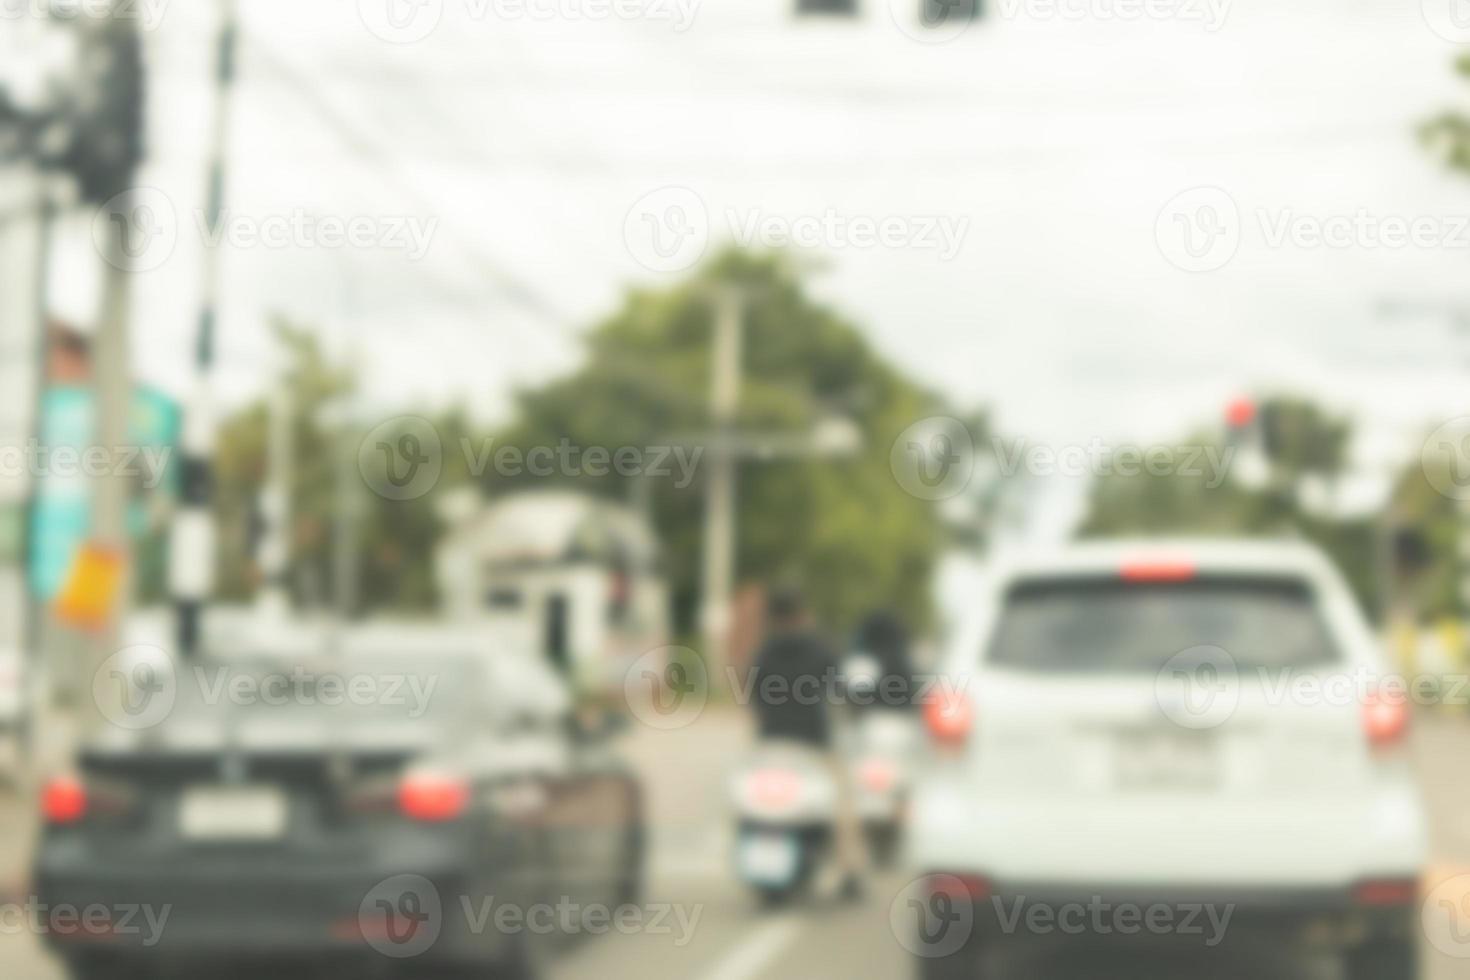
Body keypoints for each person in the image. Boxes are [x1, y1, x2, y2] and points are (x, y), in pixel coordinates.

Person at [749, 585, 866, 900]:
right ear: (802, 613)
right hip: (812, 750)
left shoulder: (765, 652)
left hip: (770, 749)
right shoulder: (821, 649)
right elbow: (844, 693)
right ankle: (850, 870)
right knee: (843, 803)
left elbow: (753, 700)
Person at [852, 609, 918, 713]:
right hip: (903, 713)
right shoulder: (901, 656)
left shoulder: (868, 659)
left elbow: (857, 693)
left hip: (876, 714)